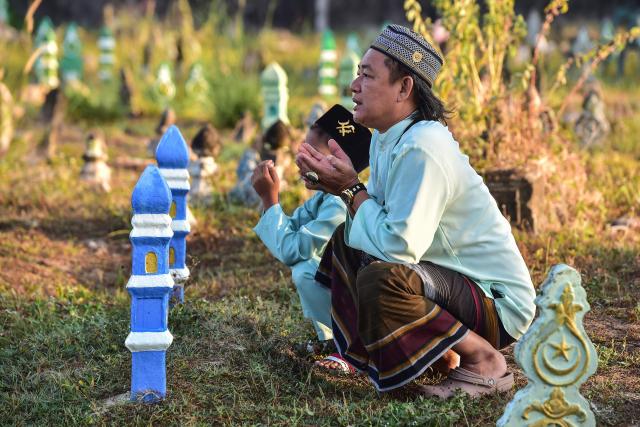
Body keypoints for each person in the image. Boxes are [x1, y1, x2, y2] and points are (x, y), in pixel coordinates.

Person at [296, 24, 536, 398]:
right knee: (348, 241)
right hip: (448, 280)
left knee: (382, 279)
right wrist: (339, 188)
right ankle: (434, 353)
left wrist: (350, 188)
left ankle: (485, 361)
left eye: (367, 75)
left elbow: (397, 247)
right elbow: (373, 216)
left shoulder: (424, 146)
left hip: (497, 302)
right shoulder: (387, 137)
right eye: (358, 73)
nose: (353, 87)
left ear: (404, 88)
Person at [252, 105, 371, 353]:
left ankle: (349, 344)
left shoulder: (339, 204)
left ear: (337, 166)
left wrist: (270, 200)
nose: (299, 164)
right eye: (301, 154)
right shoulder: (323, 198)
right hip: (356, 289)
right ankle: (332, 338)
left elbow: (292, 250)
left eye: (310, 157)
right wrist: (269, 202)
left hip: (371, 299)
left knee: (306, 270)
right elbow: (291, 228)